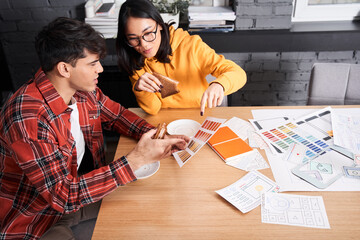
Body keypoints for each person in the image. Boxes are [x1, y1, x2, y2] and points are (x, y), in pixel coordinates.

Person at [0, 17, 189, 239]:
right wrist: (137, 159)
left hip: (79, 192)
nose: (100, 69)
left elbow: (117, 115)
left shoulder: (82, 90)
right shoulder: (28, 118)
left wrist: (159, 137)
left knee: (153, 205)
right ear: (64, 69)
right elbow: (64, 196)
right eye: (92, 63)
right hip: (37, 219)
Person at [116, 0, 247, 116]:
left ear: (160, 25)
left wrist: (220, 84)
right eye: (133, 39)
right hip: (165, 121)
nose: (144, 44)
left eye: (148, 33)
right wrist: (140, 89)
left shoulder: (191, 46)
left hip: (200, 116)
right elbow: (153, 109)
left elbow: (238, 73)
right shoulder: (135, 60)